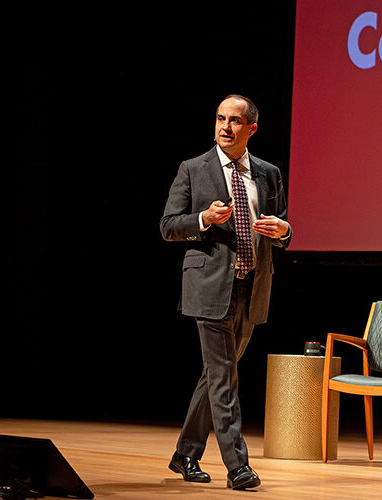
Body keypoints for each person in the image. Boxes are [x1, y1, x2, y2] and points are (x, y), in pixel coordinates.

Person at [160, 94, 291, 490]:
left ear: (250, 128)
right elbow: (168, 225)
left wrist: (284, 231)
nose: (225, 127)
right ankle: (238, 467)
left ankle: (185, 454)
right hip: (209, 286)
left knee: (216, 376)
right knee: (224, 379)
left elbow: (280, 222)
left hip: (251, 288)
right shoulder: (193, 169)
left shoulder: (268, 173)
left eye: (235, 120)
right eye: (220, 118)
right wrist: (203, 218)